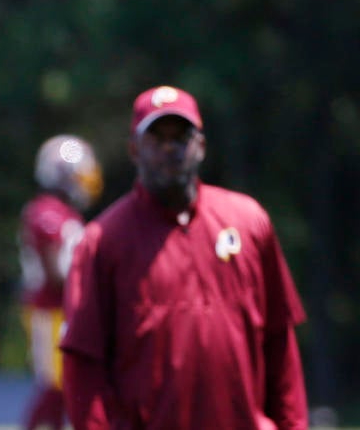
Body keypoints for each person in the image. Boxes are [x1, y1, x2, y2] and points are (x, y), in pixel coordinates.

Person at [60, 85, 308, 429]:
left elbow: (280, 344)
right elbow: (84, 368)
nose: (169, 148)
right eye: (156, 139)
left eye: (181, 137)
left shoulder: (249, 222)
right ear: (134, 150)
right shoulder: (102, 242)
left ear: (201, 146)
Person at [17, 135, 102, 430]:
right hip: (49, 309)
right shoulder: (47, 213)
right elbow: (56, 273)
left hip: (63, 309)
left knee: (65, 386)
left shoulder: (64, 213)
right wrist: (96, 286)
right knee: (56, 386)